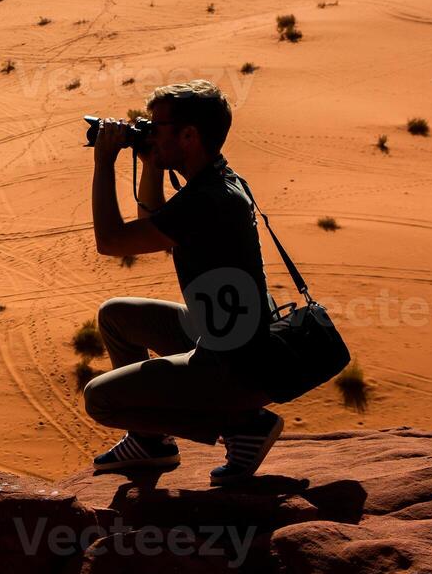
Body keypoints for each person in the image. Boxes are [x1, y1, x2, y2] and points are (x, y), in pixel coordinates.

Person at [83, 79, 286, 486]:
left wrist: (104, 162)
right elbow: (154, 222)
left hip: (233, 361)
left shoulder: (207, 200)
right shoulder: (217, 180)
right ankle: (149, 443)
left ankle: (242, 424)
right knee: (117, 317)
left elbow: (111, 241)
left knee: (99, 398)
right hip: (234, 336)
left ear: (189, 135)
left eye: (156, 127)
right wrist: (152, 160)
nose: (147, 131)